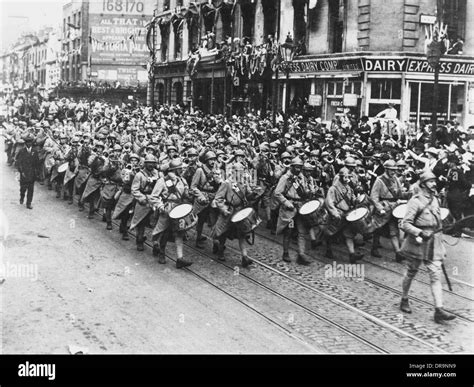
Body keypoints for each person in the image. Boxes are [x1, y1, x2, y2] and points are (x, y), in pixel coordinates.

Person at [399, 171, 456, 324]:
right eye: (431, 181)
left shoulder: (436, 200)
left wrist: (442, 237)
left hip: (434, 242)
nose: (434, 184)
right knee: (411, 272)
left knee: (435, 275)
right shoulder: (415, 201)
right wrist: (419, 231)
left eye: (434, 181)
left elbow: (438, 222)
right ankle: (404, 298)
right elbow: (404, 224)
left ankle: (439, 309)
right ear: (423, 183)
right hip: (417, 242)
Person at [150, 158, 193, 268]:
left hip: (179, 209)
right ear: (175, 170)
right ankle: (161, 253)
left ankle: (180, 259)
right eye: (180, 169)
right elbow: (154, 196)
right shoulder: (163, 181)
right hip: (167, 209)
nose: (182, 170)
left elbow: (185, 195)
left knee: (180, 233)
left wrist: (189, 194)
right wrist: (160, 206)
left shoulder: (182, 180)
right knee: (164, 232)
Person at [274, 157, 313, 265]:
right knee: (289, 231)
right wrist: (287, 203)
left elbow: (304, 190)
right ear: (291, 166)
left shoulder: (301, 178)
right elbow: (277, 193)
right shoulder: (285, 178)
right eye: (296, 167)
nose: (298, 169)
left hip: (300, 208)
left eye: (300, 167)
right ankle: (285, 252)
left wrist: (308, 191)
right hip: (290, 209)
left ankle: (301, 254)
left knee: (302, 231)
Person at [370, 159, 410, 262]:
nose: (394, 172)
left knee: (394, 231)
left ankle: (398, 253)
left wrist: (411, 193)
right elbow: (374, 197)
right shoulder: (379, 180)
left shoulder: (396, 179)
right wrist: (379, 208)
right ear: (386, 169)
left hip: (394, 208)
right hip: (384, 207)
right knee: (377, 229)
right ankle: (374, 248)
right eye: (392, 170)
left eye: (395, 170)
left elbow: (400, 194)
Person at [15, 134, 40, 209]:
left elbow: (37, 163)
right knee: (23, 188)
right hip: (24, 173)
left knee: (31, 189)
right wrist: (21, 171)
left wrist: (37, 172)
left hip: (32, 173)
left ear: (32, 142)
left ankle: (28, 203)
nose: (29, 143)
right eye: (27, 142)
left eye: (30, 142)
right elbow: (18, 162)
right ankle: (22, 197)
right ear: (25, 143)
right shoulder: (22, 151)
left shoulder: (35, 152)